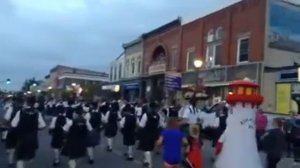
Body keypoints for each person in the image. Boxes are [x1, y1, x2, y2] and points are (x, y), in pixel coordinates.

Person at [11, 96, 46, 168]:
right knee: (30, 157)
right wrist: (36, 127)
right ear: (34, 102)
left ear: (26, 102)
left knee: (20, 158)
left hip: (21, 138)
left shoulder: (20, 112)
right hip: (33, 138)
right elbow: (43, 125)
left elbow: (13, 124)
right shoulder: (37, 113)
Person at [138, 102, 165, 168]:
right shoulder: (158, 115)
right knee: (151, 148)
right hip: (155, 133)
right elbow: (161, 125)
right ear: (156, 108)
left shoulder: (146, 114)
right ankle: (146, 161)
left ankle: (149, 164)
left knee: (146, 148)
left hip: (146, 133)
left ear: (149, 107)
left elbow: (141, 125)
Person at [4, 96, 24, 167]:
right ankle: (19, 161)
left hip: (12, 130)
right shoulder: (24, 109)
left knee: (12, 147)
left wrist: (7, 125)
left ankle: (10, 162)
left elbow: (6, 118)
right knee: (19, 146)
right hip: (22, 131)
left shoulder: (11, 108)